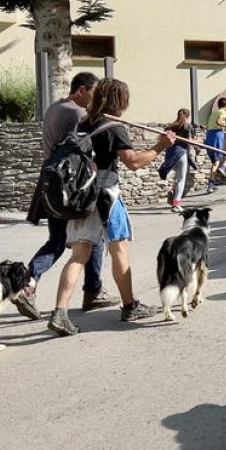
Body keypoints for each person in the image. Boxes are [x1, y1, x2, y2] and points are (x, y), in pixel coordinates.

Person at [46, 78, 174, 336]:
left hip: (82, 195)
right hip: (107, 197)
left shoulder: (83, 123)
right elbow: (133, 162)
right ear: (120, 100)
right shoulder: (113, 127)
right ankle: (129, 306)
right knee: (119, 250)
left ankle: (60, 312)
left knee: (78, 255)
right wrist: (160, 146)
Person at [16, 72, 118, 320]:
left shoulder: (54, 108)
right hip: (71, 184)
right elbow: (86, 144)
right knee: (90, 237)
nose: (96, 98)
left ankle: (32, 283)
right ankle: (88, 291)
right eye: (94, 93)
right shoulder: (77, 113)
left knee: (58, 240)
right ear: (81, 90)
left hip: (52, 180)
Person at [159, 108, 197, 213]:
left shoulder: (171, 126)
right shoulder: (187, 126)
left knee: (177, 177)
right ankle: (176, 204)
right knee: (181, 179)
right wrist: (198, 141)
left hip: (170, 154)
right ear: (188, 116)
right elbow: (190, 142)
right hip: (181, 154)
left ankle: (173, 190)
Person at [204, 98, 226, 194]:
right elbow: (219, 122)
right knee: (224, 157)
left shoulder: (214, 112)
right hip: (217, 135)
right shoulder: (223, 112)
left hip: (209, 136)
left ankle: (214, 180)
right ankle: (220, 171)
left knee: (217, 160)